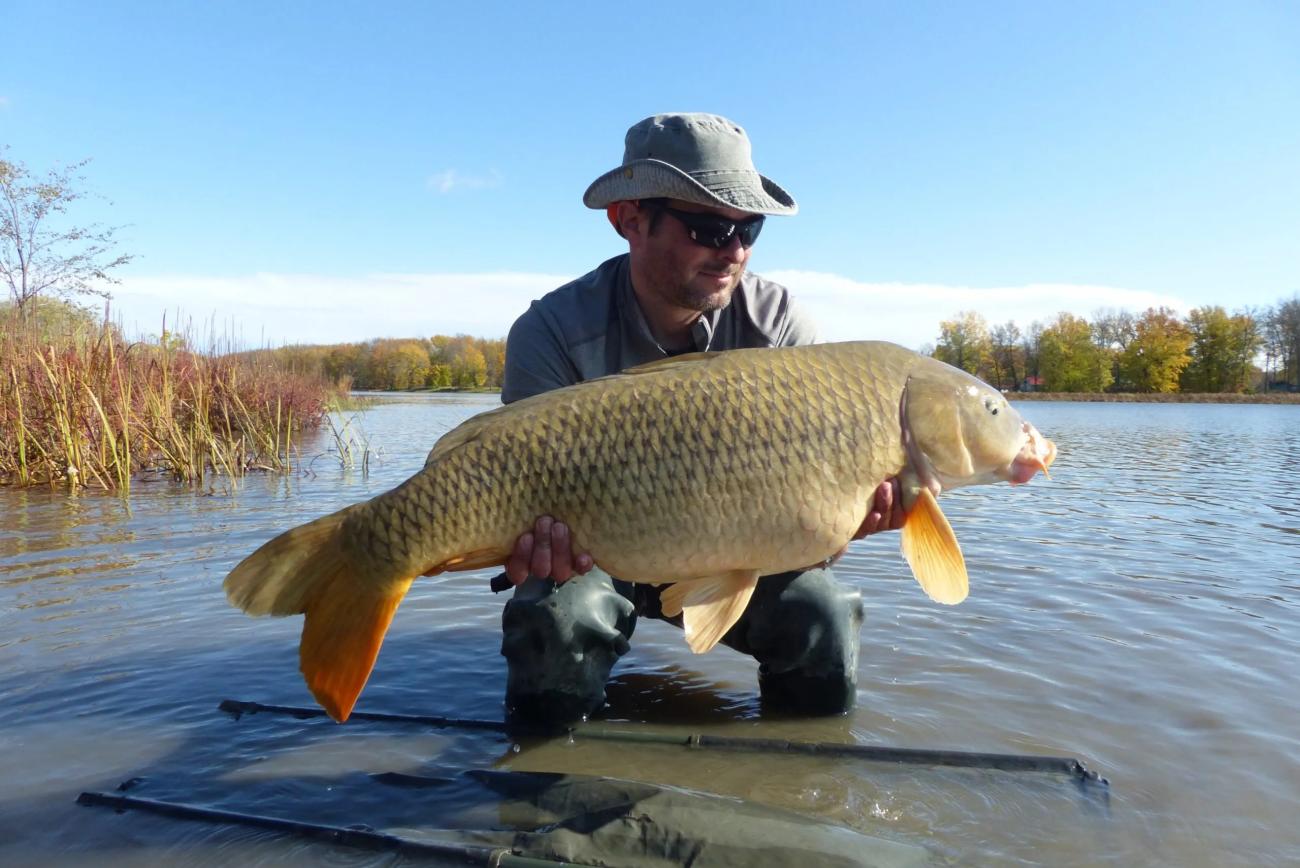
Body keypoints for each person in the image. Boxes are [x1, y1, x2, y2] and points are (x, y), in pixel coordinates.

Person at [493, 113, 902, 726]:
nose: (733, 250)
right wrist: (519, 547)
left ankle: (801, 790)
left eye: (749, 228)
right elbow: (513, 502)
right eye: (709, 227)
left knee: (822, 612)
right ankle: (543, 786)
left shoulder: (782, 328)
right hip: (596, 553)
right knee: (559, 621)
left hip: (733, 552)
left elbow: (801, 528)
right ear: (629, 220)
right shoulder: (549, 331)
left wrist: (836, 526)